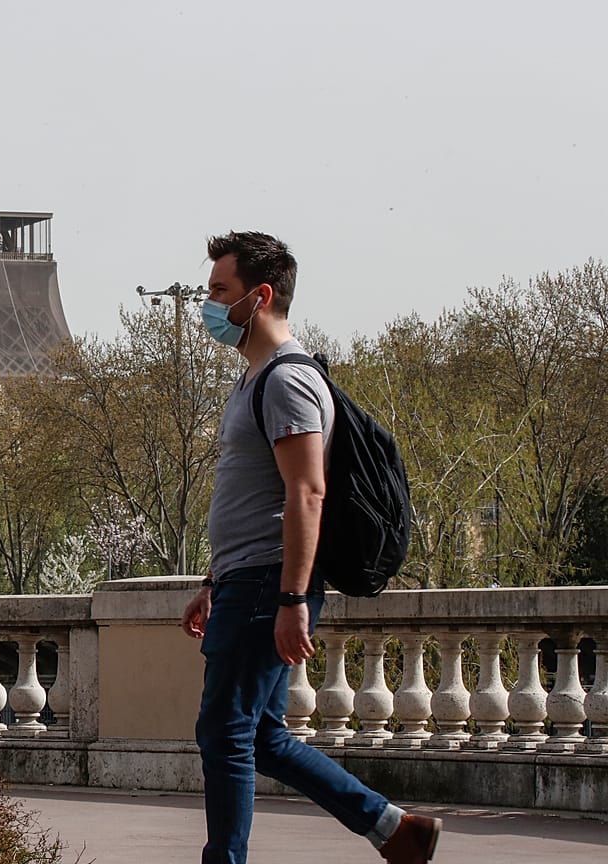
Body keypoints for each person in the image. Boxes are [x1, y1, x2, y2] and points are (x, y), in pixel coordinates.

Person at [180, 231, 441, 863]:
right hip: (248, 581)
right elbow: (258, 498)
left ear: (259, 296)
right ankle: (393, 829)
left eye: (220, 291)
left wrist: (293, 597)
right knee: (263, 736)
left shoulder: (288, 382)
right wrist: (216, 579)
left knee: (225, 731)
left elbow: (307, 493)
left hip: (270, 584)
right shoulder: (254, 380)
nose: (207, 304)